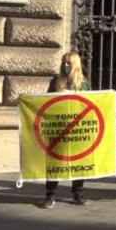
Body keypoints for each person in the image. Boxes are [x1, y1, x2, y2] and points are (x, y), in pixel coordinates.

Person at [42, 52, 91, 209]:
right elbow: (47, 102)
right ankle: (50, 194)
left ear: (76, 64)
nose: (66, 65)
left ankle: (78, 192)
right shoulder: (56, 82)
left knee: (79, 161)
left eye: (69, 63)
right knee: (55, 162)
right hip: (59, 129)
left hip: (77, 129)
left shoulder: (84, 84)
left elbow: (91, 104)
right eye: (64, 62)